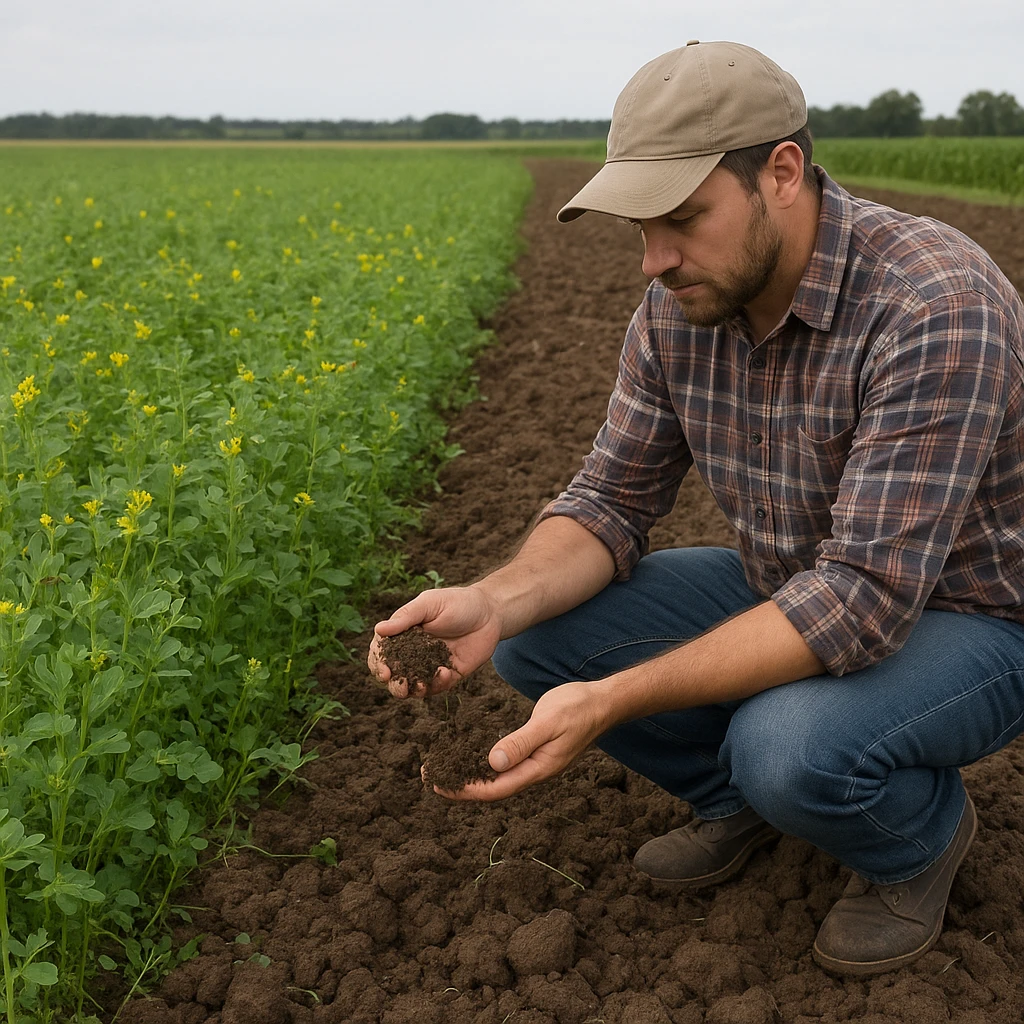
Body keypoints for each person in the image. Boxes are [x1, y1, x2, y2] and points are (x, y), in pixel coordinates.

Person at [368, 40, 1024, 977]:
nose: (654, 261)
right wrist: (495, 599)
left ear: (783, 173)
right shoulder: (682, 308)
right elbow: (610, 497)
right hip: (797, 583)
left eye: (681, 218)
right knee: (536, 638)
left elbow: (864, 599)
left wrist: (615, 699)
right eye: (641, 226)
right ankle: (745, 802)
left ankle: (915, 840)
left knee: (786, 744)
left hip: (975, 622)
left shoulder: (933, 303)